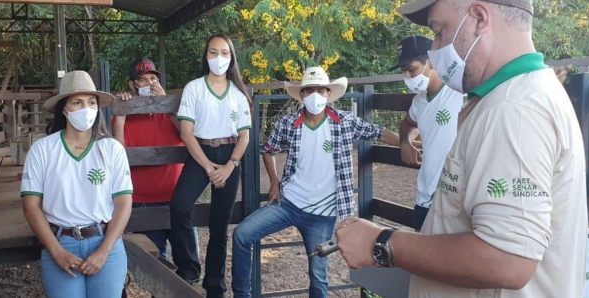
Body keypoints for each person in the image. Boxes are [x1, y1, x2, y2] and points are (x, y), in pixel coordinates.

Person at [336, 1, 588, 298]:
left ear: (479, 18)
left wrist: (382, 242)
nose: (436, 50)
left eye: (439, 32)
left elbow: (508, 261)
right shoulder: (507, 98)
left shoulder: (513, 110)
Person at [232, 66, 401, 298]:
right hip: (288, 204)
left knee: (318, 277)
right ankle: (242, 294)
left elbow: (378, 132)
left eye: (320, 90)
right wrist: (274, 182)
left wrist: (408, 143)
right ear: (301, 95)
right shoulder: (288, 123)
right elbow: (268, 149)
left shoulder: (344, 122)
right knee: (242, 234)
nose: (315, 96)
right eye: (309, 90)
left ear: (328, 93)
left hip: (322, 216)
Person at [21, 71, 133, 298]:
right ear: (64, 108)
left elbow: (123, 203)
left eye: (92, 103)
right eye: (77, 102)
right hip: (61, 243)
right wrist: (56, 251)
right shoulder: (43, 150)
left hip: (105, 241)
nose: (86, 109)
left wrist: (104, 251)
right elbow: (31, 205)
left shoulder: (111, 149)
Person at [170, 33, 252, 298]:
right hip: (200, 153)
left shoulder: (239, 94)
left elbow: (245, 136)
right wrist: (207, 166)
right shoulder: (194, 88)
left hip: (230, 155)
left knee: (220, 226)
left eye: (225, 53)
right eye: (214, 52)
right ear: (206, 57)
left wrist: (229, 166)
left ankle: (214, 285)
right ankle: (189, 268)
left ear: (232, 57)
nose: (219, 58)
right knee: (179, 206)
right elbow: (186, 133)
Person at [112, 59, 195, 261]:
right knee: (157, 264)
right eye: (143, 80)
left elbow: (188, 135)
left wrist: (167, 105)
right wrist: (122, 112)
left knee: (189, 263)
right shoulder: (124, 116)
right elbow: (117, 153)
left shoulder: (173, 112)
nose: (150, 83)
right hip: (142, 202)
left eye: (153, 78)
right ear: (132, 85)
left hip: (178, 198)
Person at [392, 35, 463, 230]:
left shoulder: (461, 92)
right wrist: (405, 142)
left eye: (411, 69)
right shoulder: (419, 102)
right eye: (404, 71)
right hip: (424, 199)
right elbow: (408, 123)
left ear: (431, 61)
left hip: (455, 200)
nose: (407, 77)